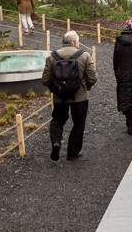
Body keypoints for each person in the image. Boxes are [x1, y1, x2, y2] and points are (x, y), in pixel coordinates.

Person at [42, 31, 97, 161]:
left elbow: (45, 79)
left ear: (63, 42)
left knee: (57, 120)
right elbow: (92, 77)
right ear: (76, 42)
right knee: (78, 123)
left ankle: (56, 142)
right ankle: (72, 152)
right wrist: (86, 88)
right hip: (79, 97)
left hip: (59, 97)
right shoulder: (84, 56)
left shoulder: (52, 57)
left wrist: (55, 89)